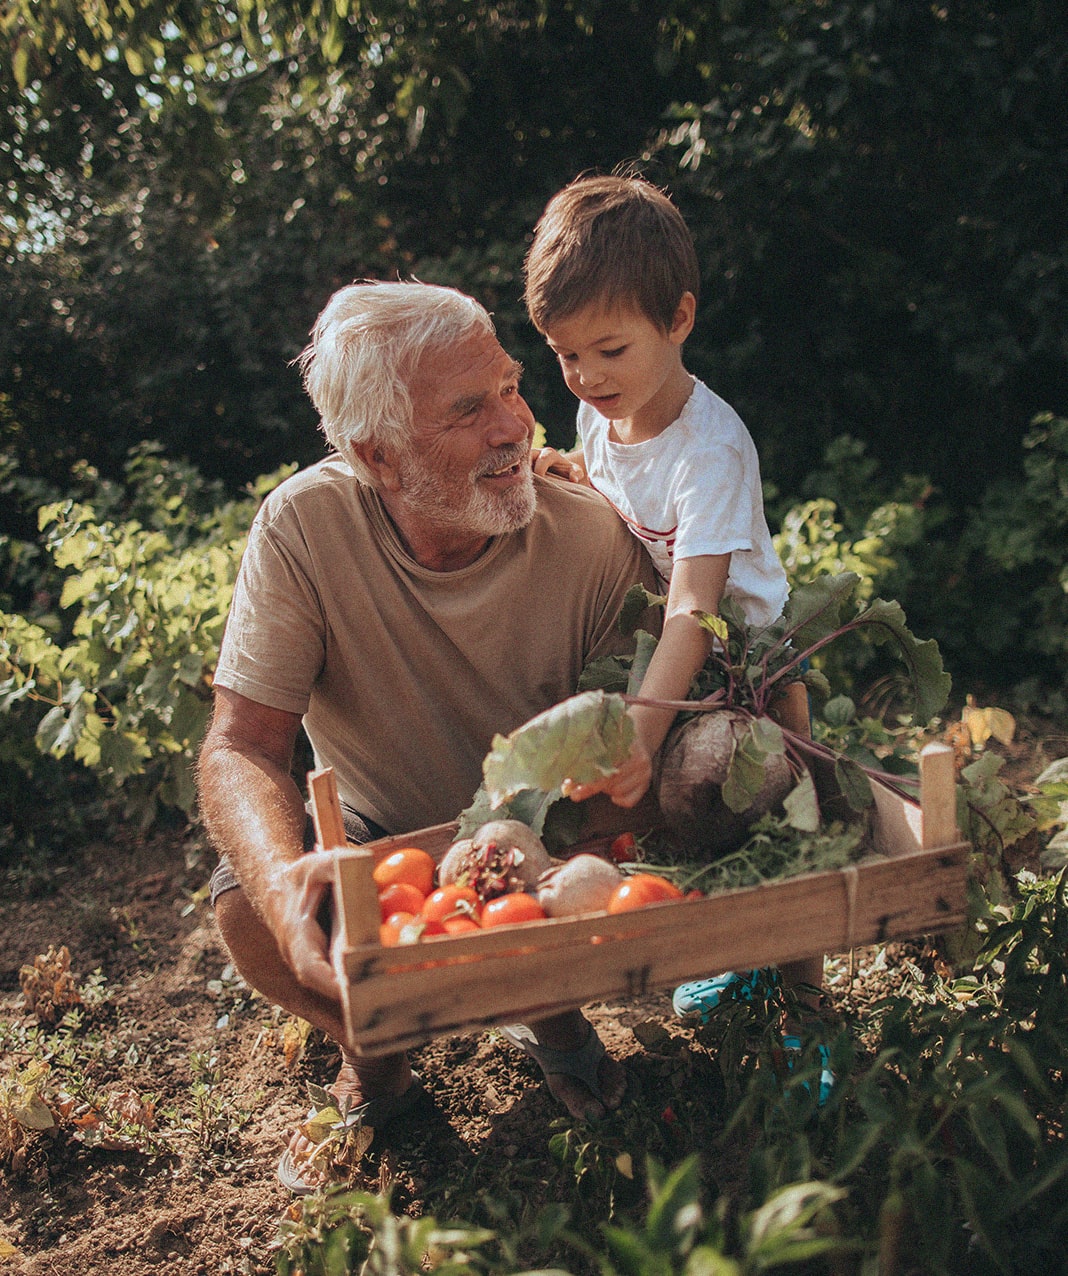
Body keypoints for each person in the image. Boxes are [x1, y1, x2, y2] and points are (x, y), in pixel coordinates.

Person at [197, 280, 660, 1191]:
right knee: (248, 911)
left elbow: (626, 756)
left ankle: (551, 1013)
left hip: (540, 836)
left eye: (511, 388)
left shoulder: (591, 541)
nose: (513, 426)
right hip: (382, 842)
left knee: (594, 865)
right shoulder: (306, 526)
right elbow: (241, 747)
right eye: (467, 410)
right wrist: (290, 888)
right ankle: (378, 1044)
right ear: (377, 454)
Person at [522, 174, 829, 1067]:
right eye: (566, 355)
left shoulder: (713, 446)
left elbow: (696, 606)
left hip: (756, 663)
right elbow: (616, 502)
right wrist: (570, 473)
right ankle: (736, 966)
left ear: (680, 320)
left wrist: (642, 731)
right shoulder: (597, 413)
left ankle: (810, 1009)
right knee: (689, 828)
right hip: (678, 657)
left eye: (609, 349)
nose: (587, 376)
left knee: (785, 836)